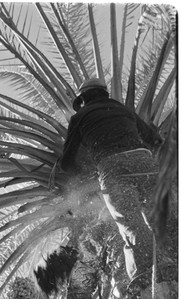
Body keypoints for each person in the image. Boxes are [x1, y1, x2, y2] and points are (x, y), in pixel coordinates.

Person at [56, 78, 163, 286]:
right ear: (104, 94)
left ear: (83, 99)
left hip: (112, 167)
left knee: (130, 222)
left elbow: (68, 162)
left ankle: (145, 278)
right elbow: (154, 139)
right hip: (145, 161)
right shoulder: (123, 109)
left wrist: (83, 173)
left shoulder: (80, 116)